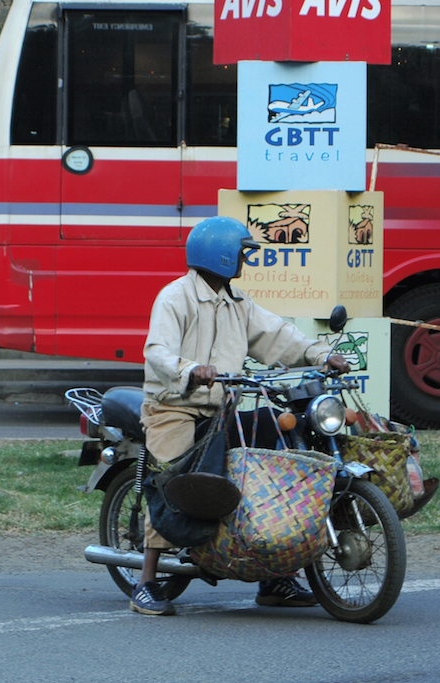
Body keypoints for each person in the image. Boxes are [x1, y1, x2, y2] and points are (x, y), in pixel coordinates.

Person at [132, 216, 351, 615]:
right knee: (174, 481)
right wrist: (189, 370)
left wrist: (321, 355)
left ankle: (274, 576)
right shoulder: (175, 297)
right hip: (173, 407)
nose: (244, 262)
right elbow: (156, 351)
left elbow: (279, 336)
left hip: (222, 408)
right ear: (221, 254)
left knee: (265, 472)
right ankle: (146, 581)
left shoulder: (238, 303)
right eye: (241, 254)